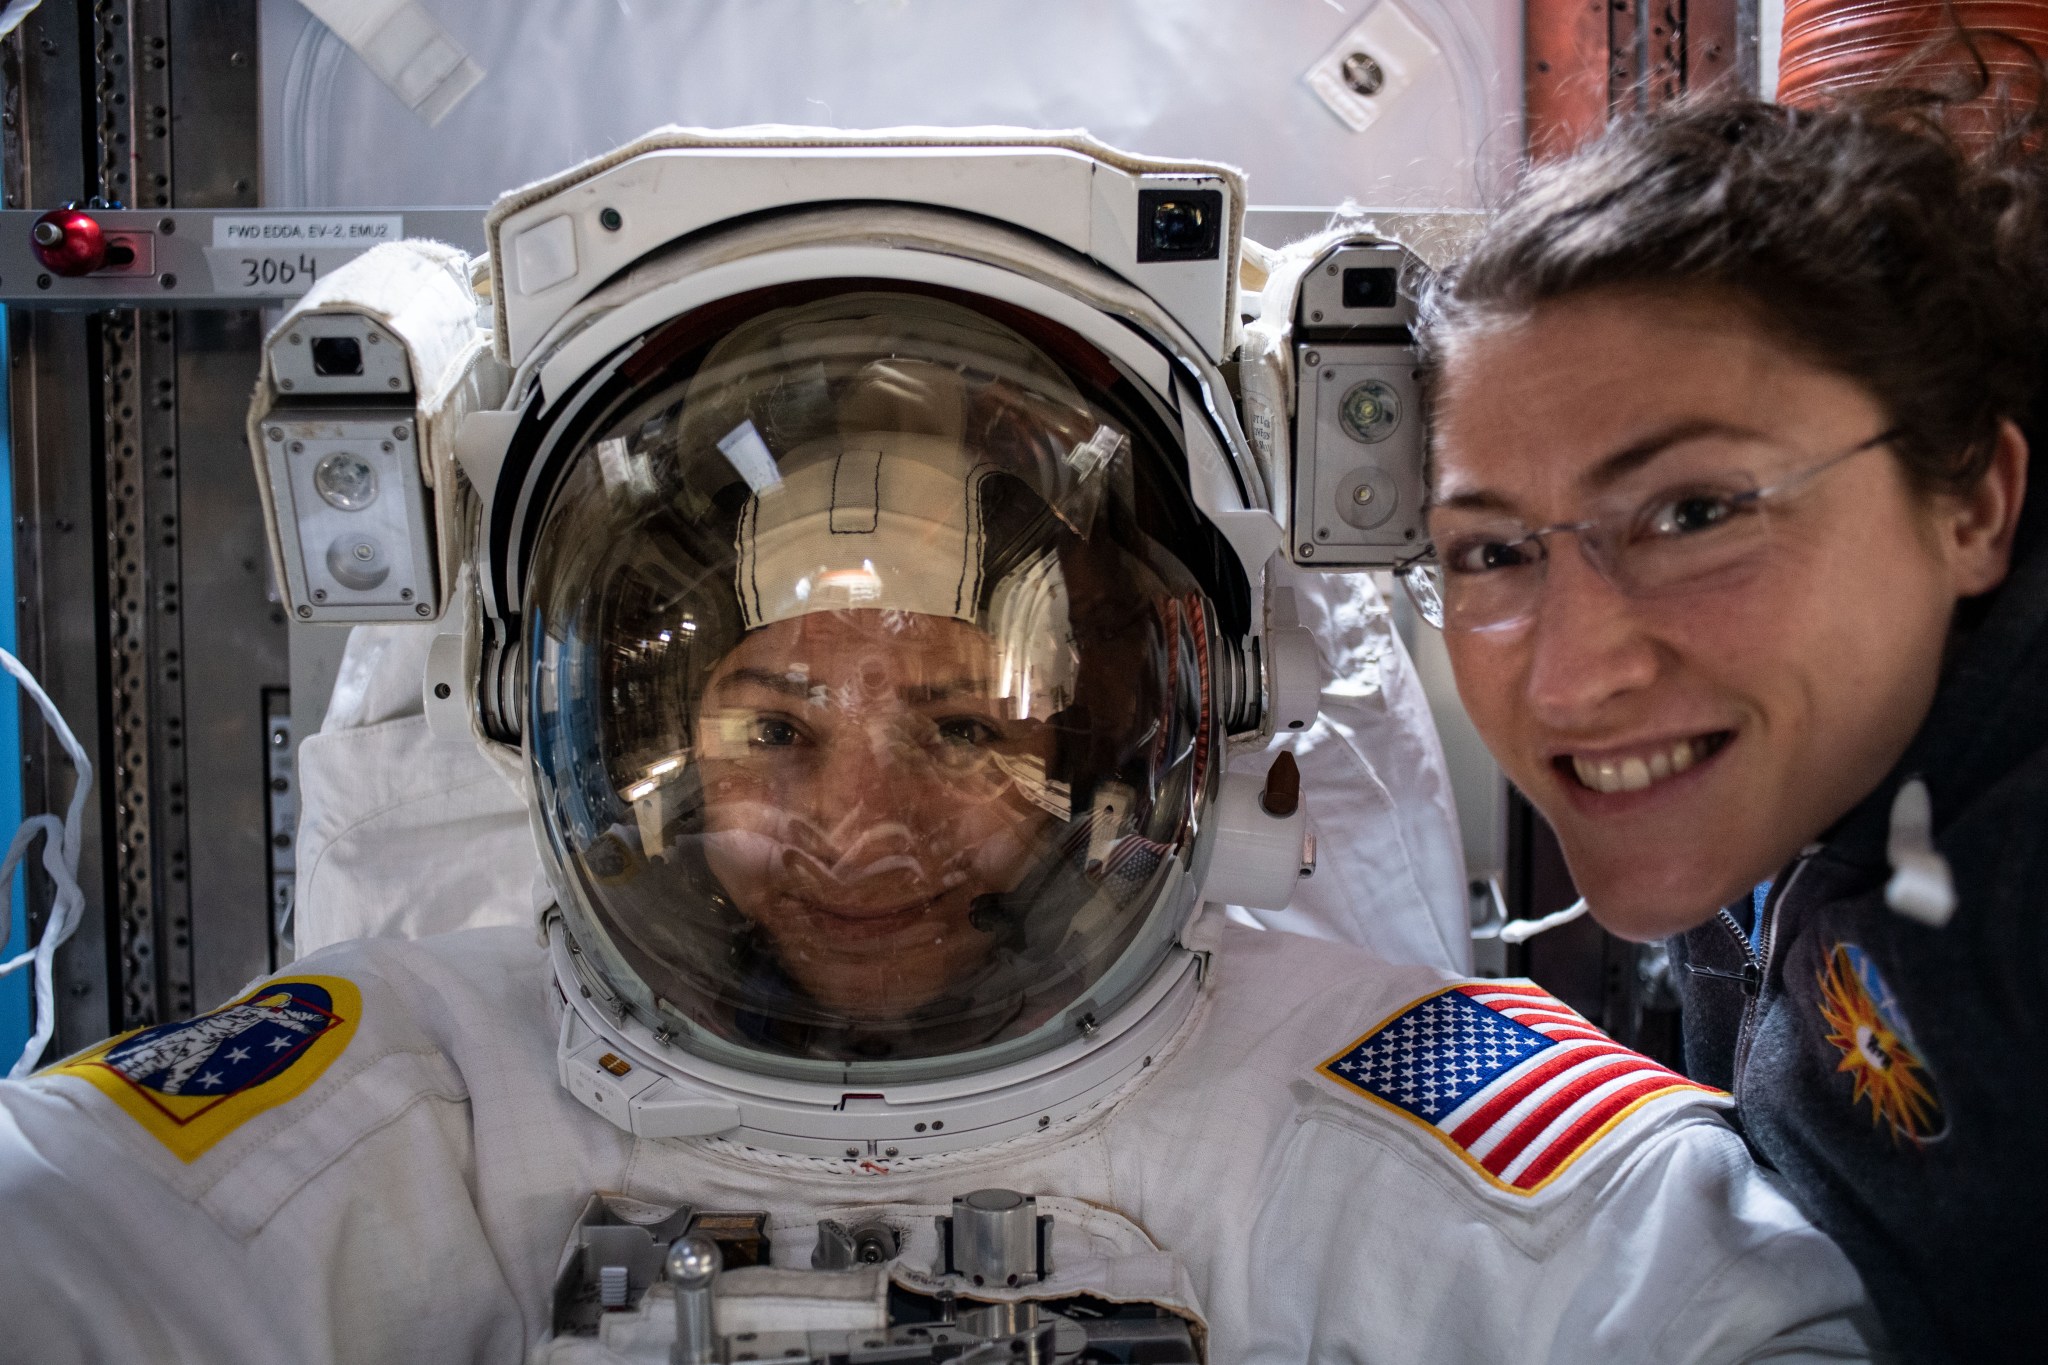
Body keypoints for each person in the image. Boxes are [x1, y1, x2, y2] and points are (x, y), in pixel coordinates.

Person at [0, 280, 1874, 1360]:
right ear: (621, 735)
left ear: (1141, 740)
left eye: (970, 724)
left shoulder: (1323, 1081)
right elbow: (79, 1233)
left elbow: (1673, 1282)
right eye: (773, 722)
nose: (863, 828)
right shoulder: (437, 1073)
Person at [1410, 53, 2048, 1364]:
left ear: (1973, 502)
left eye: (1695, 513)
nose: (1572, 673)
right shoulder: (1804, 775)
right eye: (1491, 551)